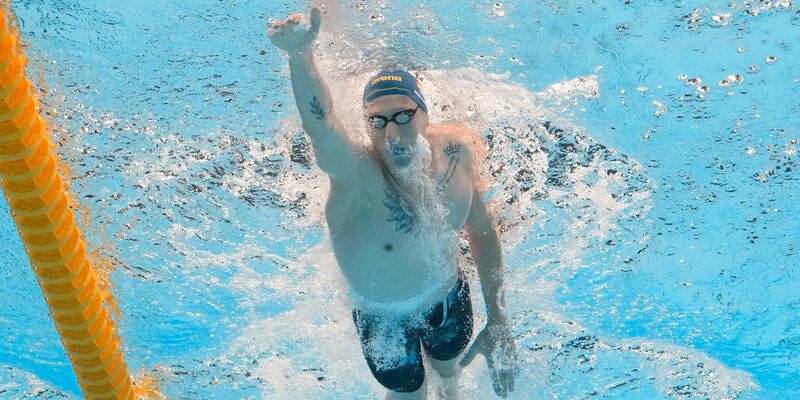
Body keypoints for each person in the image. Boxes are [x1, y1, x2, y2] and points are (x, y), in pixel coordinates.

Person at [268, 7, 517, 399]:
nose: (392, 131)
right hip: (385, 322)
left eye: (402, 115)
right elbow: (321, 123)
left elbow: (483, 230)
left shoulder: (458, 152)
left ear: (424, 113)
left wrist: (499, 319)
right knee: (410, 396)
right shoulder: (354, 174)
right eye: (377, 121)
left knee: (450, 375)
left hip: (448, 296)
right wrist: (300, 56)